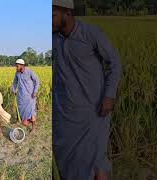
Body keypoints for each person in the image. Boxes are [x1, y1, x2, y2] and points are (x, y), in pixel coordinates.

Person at [52, 0, 122, 180]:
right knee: (68, 159)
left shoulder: (91, 34)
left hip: (94, 111)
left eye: (52, 15)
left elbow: (115, 63)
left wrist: (109, 95)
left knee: (96, 158)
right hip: (65, 113)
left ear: (67, 13)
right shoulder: (53, 39)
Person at [12, 59, 40, 133]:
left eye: (17, 66)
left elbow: (37, 81)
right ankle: (23, 120)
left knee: (31, 112)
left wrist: (35, 91)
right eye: (16, 66)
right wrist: (14, 89)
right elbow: (15, 82)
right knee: (22, 110)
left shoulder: (29, 72)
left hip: (30, 96)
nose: (16, 67)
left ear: (22, 65)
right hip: (21, 96)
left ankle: (33, 129)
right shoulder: (17, 73)